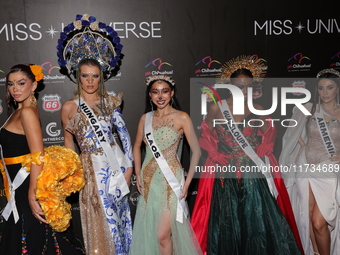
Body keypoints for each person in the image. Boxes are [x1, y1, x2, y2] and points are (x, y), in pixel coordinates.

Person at [190, 55, 303, 255]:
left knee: (255, 220)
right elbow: (206, 132)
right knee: (228, 220)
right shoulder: (217, 107)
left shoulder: (258, 109)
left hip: (252, 171)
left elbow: (270, 130)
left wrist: (267, 145)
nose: (242, 90)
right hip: (226, 172)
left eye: (246, 86)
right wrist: (214, 153)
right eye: (238, 85)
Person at [58, 14, 133, 255]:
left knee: (118, 225)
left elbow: (124, 137)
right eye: (85, 76)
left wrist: (129, 168)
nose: (90, 81)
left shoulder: (111, 102)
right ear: (78, 77)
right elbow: (68, 144)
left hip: (117, 169)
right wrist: (74, 175)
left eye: (95, 76)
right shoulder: (69, 107)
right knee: (98, 224)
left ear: (101, 77)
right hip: (90, 171)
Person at [0, 64, 85, 254]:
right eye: (11, 84)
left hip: (25, 187)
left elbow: (37, 155)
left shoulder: (27, 112)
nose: (15, 89)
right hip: (18, 188)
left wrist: (32, 193)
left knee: (33, 241)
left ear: (33, 85)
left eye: (21, 83)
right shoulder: (19, 111)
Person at [129, 75, 202, 255]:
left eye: (164, 91)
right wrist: (138, 174)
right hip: (149, 182)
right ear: (150, 95)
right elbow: (136, 146)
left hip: (172, 183)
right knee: (152, 234)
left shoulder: (182, 117)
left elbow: (197, 151)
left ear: (172, 93)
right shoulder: (145, 119)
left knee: (162, 235)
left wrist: (188, 182)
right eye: (155, 92)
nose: (160, 96)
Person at [280, 68, 340, 255]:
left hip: (329, 167)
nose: (325, 92)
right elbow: (291, 133)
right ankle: (314, 252)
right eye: (321, 88)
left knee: (319, 221)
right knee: (306, 215)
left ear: (337, 89)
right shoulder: (309, 107)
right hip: (305, 165)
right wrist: (301, 146)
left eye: (330, 87)